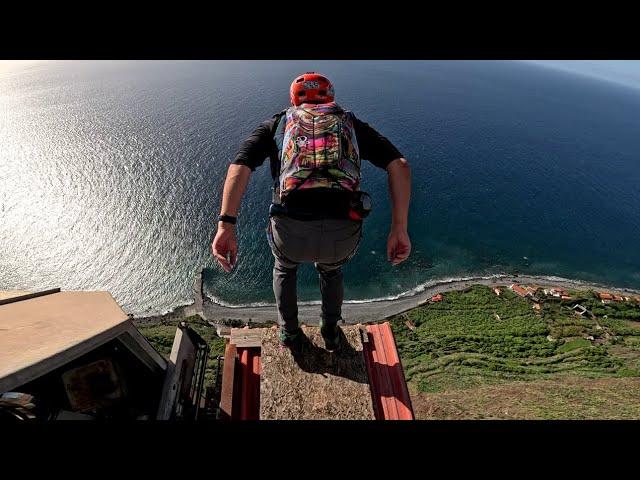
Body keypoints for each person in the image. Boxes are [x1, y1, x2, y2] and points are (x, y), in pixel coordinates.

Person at [211, 72, 411, 352]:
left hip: (290, 229)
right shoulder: (350, 124)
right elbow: (399, 165)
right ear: (331, 98)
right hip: (342, 231)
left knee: (284, 269)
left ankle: (289, 333)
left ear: (294, 100)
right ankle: (330, 330)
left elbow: (239, 166)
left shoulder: (279, 123)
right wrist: (399, 228)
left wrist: (226, 224)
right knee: (331, 271)